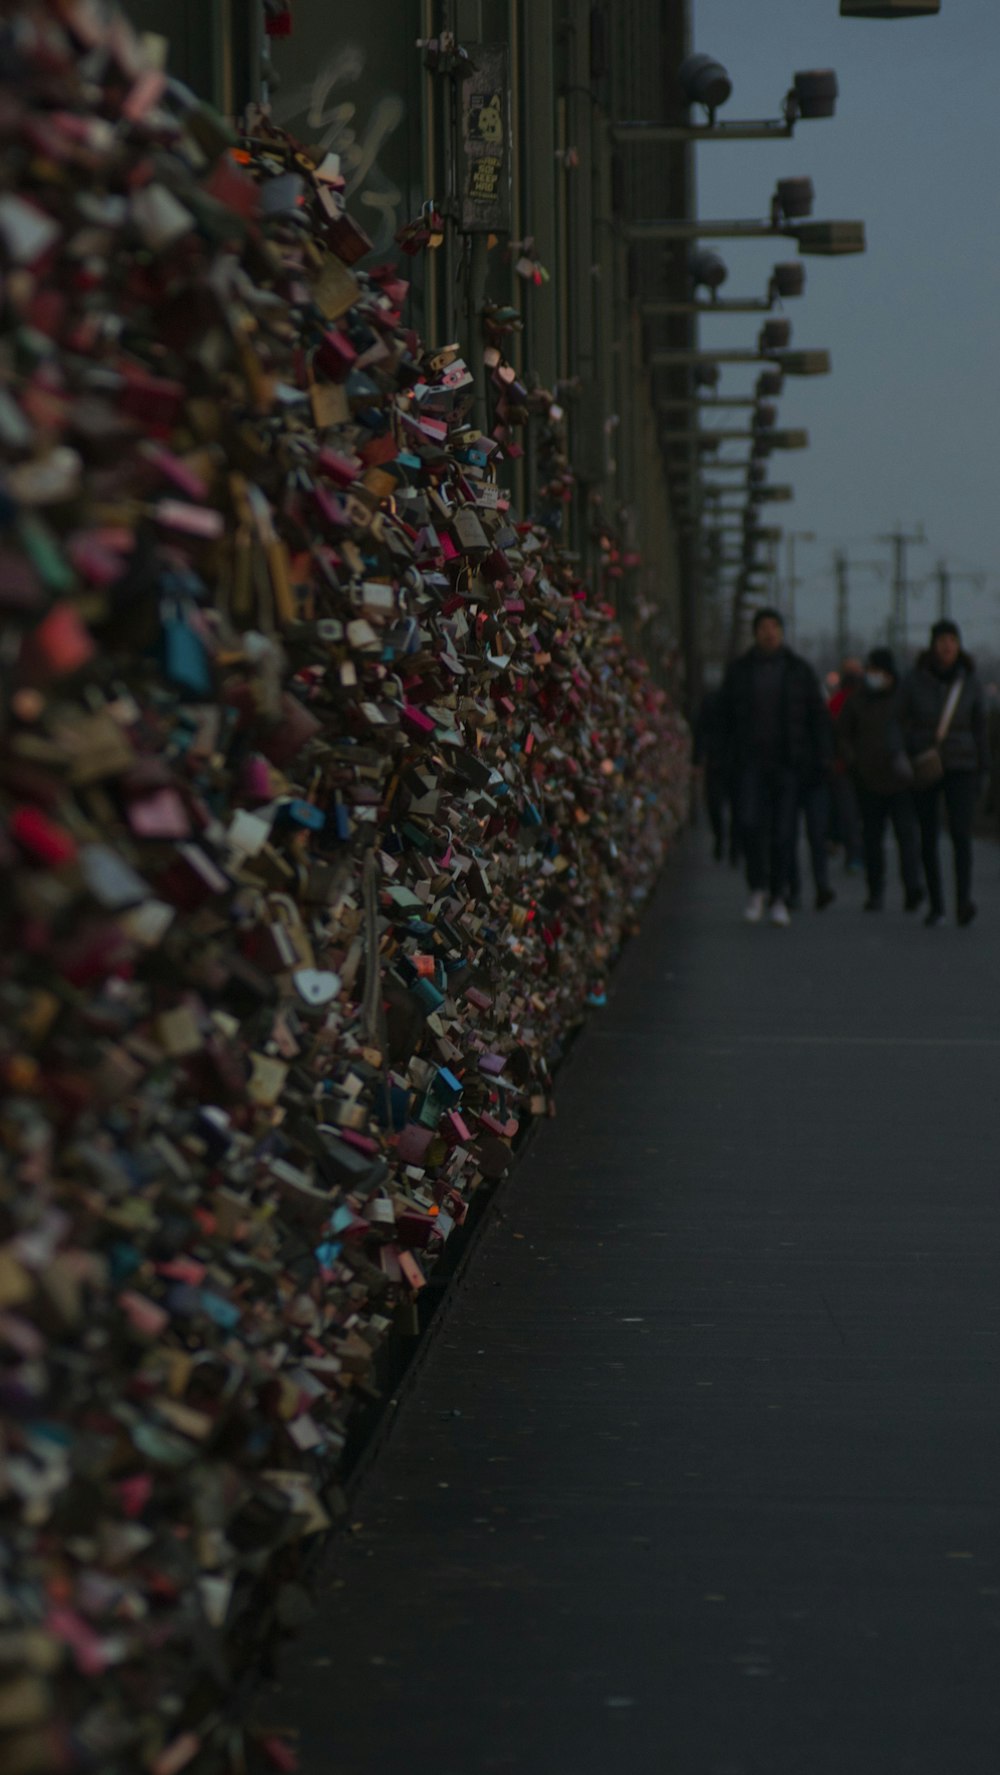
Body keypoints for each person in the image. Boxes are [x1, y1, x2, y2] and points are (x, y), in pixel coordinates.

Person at [717, 607, 830, 926]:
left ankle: (779, 895)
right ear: (755, 633)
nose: (769, 633)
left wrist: (820, 757)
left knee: (784, 832)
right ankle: (757, 888)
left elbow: (817, 717)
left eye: (774, 627)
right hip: (749, 763)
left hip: (788, 765)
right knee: (750, 825)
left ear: (781, 632)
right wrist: (721, 760)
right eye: (764, 627)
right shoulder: (740, 672)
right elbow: (723, 719)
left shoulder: (798, 671)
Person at [898, 618, 987, 927]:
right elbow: (897, 721)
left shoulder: (970, 682)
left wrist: (982, 769)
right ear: (932, 645)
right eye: (941, 640)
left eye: (952, 640)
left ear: (958, 645)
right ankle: (936, 903)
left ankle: (963, 900)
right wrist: (903, 754)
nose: (947, 646)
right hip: (925, 763)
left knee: (961, 834)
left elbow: (980, 729)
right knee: (928, 835)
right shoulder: (914, 681)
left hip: (962, 764)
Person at [836, 646, 923, 913]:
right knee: (872, 840)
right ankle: (875, 892)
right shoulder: (857, 700)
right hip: (867, 780)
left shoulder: (904, 699)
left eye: (879, 671)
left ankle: (912, 888)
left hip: (901, 780)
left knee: (907, 838)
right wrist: (853, 762)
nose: (875, 676)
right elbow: (843, 735)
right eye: (871, 670)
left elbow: (918, 731)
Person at [827, 658, 865, 872]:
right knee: (849, 815)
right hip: (843, 767)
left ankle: (855, 853)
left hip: (862, 767)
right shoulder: (837, 701)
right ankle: (855, 854)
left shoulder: (838, 701)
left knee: (853, 815)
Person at [692, 685, 737, 864]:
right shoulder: (717, 702)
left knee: (722, 804)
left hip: (727, 761)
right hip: (722, 761)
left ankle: (728, 842)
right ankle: (727, 841)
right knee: (718, 804)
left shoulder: (714, 701)